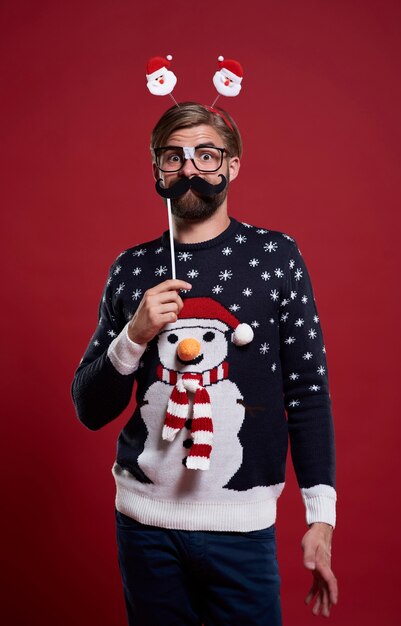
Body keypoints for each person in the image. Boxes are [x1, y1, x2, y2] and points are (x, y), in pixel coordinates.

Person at [71, 101, 338, 626]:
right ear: (156, 169)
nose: (189, 169)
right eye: (173, 156)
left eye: (206, 155)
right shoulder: (131, 269)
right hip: (145, 526)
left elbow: (307, 391)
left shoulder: (277, 256)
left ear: (233, 165)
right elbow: (89, 407)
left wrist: (320, 517)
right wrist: (135, 335)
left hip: (243, 526)